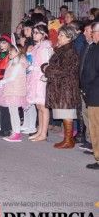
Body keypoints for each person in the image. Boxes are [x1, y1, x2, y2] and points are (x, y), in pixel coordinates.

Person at [43, 25, 81, 149]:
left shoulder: (70, 51)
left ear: (69, 37)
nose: (58, 37)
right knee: (64, 113)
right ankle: (68, 138)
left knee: (67, 113)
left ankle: (68, 140)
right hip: (60, 86)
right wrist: (46, 67)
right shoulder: (62, 49)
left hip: (66, 87)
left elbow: (64, 70)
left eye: (61, 35)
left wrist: (47, 69)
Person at [0, 44, 28, 142]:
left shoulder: (19, 63)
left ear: (17, 52)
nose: (9, 53)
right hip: (11, 89)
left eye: (11, 51)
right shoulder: (13, 62)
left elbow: (13, 77)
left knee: (13, 112)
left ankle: (16, 133)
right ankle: (15, 132)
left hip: (15, 90)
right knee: (12, 111)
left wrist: (2, 82)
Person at [25, 24, 53, 140]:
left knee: (43, 106)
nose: (34, 34)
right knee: (38, 105)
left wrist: (44, 76)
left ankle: (43, 133)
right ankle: (39, 130)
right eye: (34, 32)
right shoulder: (36, 47)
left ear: (44, 34)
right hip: (34, 77)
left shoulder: (46, 47)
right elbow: (32, 62)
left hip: (41, 78)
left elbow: (47, 64)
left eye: (37, 32)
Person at [81, 22, 99, 169]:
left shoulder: (96, 49)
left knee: (96, 127)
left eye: (93, 31)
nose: (91, 34)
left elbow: (91, 72)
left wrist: (85, 88)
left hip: (95, 93)